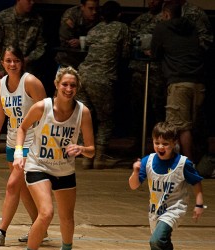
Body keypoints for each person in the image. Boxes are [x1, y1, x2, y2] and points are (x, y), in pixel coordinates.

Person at [13, 66, 95, 250]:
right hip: (37, 165)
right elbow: (22, 128)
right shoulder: (42, 107)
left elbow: (92, 150)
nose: (68, 89)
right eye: (65, 84)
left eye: (73, 85)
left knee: (67, 218)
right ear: (57, 85)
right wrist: (18, 152)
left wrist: (81, 148)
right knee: (47, 213)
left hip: (64, 169)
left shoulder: (82, 112)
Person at [129, 121, 204, 250]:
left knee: (156, 240)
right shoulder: (148, 161)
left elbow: (197, 182)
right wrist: (134, 171)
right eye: (157, 143)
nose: (160, 147)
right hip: (155, 211)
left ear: (174, 143)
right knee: (161, 244)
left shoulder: (182, 163)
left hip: (175, 209)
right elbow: (133, 186)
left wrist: (199, 204)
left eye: (165, 144)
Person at [0, 45, 47, 247]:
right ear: (2, 62)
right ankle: (40, 228)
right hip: (13, 141)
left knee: (12, 185)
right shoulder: (1, 84)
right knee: (22, 190)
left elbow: (47, 112)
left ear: (22, 62)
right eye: (8, 60)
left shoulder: (30, 82)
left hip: (32, 143)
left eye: (16, 61)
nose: (12, 64)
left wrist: (46, 142)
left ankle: (1, 232)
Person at [77, 0, 130, 169]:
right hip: (102, 78)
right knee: (105, 119)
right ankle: (99, 158)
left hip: (82, 75)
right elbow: (126, 53)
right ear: (119, 15)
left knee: (86, 117)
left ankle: (86, 157)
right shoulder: (122, 28)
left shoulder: (94, 29)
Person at [150, 2, 205, 163]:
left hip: (179, 82)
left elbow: (154, 53)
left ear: (166, 14)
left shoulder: (162, 27)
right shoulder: (192, 27)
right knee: (191, 126)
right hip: (199, 84)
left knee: (180, 128)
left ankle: (186, 165)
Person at [0, 0, 46, 133]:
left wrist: (27, 59)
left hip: (27, 70)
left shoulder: (37, 20)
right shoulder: (3, 17)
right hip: (6, 69)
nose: (32, 3)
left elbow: (41, 46)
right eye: (28, 0)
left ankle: (27, 136)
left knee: (27, 105)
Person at [129, 0, 166, 155]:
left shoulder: (165, 18)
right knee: (139, 110)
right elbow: (131, 37)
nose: (152, 2)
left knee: (158, 109)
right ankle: (139, 143)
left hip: (157, 71)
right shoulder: (141, 19)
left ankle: (160, 144)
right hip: (139, 70)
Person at [56, 0, 100, 69]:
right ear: (82, 7)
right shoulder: (71, 14)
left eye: (96, 8)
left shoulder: (100, 16)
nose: (95, 12)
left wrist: (82, 42)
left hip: (91, 57)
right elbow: (66, 40)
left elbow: (101, 40)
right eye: (90, 8)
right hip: (70, 55)